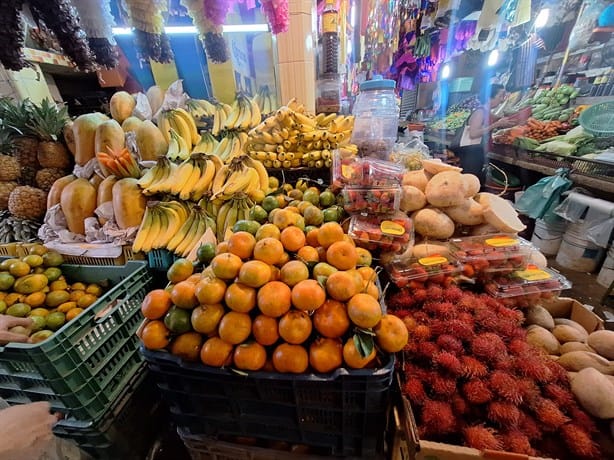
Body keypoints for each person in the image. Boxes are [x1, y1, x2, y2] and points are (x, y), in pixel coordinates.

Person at [453, 84, 514, 183]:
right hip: (471, 155)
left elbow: (497, 119)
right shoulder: (480, 112)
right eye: (500, 96)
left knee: (476, 182)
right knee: (471, 182)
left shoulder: (486, 111)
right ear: (489, 97)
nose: (502, 100)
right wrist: (495, 125)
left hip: (477, 153)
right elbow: (473, 133)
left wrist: (512, 117)